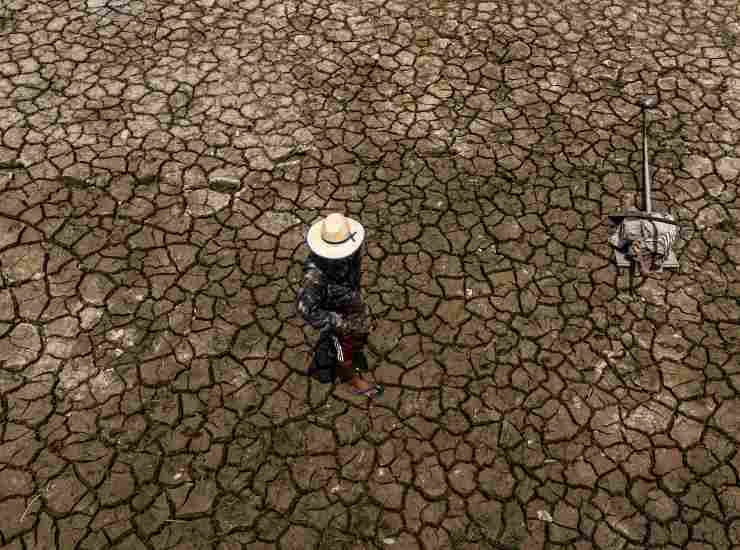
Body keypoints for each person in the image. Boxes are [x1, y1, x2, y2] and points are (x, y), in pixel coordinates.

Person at [296, 213, 383, 398]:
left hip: (351, 304)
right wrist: (339, 323)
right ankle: (351, 379)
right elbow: (306, 309)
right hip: (339, 317)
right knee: (344, 352)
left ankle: (357, 336)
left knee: (357, 336)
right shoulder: (315, 276)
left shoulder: (352, 250)